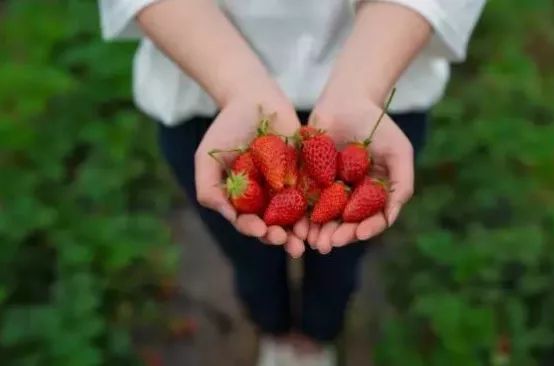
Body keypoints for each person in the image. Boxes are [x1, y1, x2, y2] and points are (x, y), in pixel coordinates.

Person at [99, 1, 485, 364]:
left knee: (339, 260)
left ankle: (317, 336)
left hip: (377, 91)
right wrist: (239, 87)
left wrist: (360, 87)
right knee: (250, 259)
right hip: (205, 90)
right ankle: (275, 331)